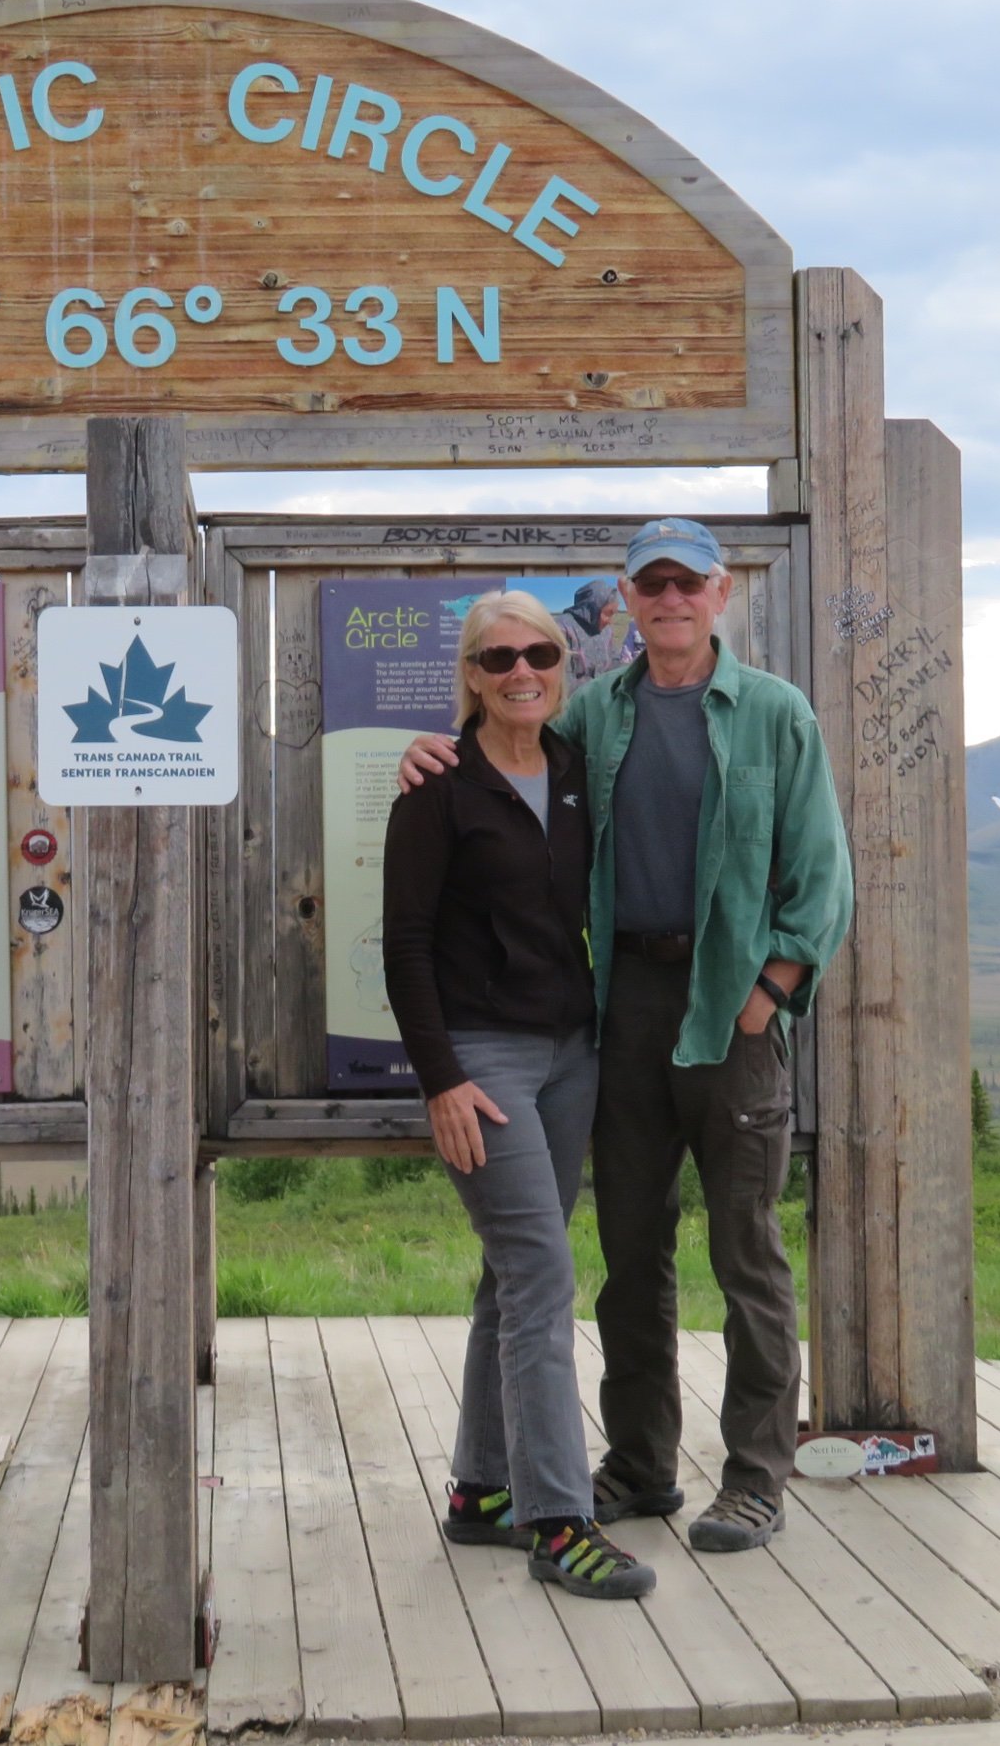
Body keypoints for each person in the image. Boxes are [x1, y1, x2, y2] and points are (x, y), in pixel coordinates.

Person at [400, 519, 852, 1553]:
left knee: (746, 1253)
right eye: (649, 584)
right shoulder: (595, 714)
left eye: (686, 582)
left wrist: (765, 996)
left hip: (731, 1008)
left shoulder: (777, 714)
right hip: (623, 1013)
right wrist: (426, 747)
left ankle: (753, 1477)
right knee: (629, 1255)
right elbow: (499, 760)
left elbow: (821, 878)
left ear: (719, 592)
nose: (669, 599)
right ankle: (641, 1468)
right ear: (626, 597)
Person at [382, 590, 655, 1600]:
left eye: (538, 651)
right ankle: (557, 1519)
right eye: (497, 658)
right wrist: (441, 1079)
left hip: (568, 1055)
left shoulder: (577, 771)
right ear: (471, 675)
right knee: (542, 1274)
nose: (520, 671)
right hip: (484, 1061)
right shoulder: (438, 786)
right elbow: (405, 945)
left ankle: (480, 1492)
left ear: (561, 663)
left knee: (510, 1275)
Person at [556, 577, 624, 684]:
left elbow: (614, 661)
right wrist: (598, 690)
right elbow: (561, 679)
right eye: (608, 614)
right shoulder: (562, 628)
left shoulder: (606, 631)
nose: (610, 621)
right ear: (592, 609)